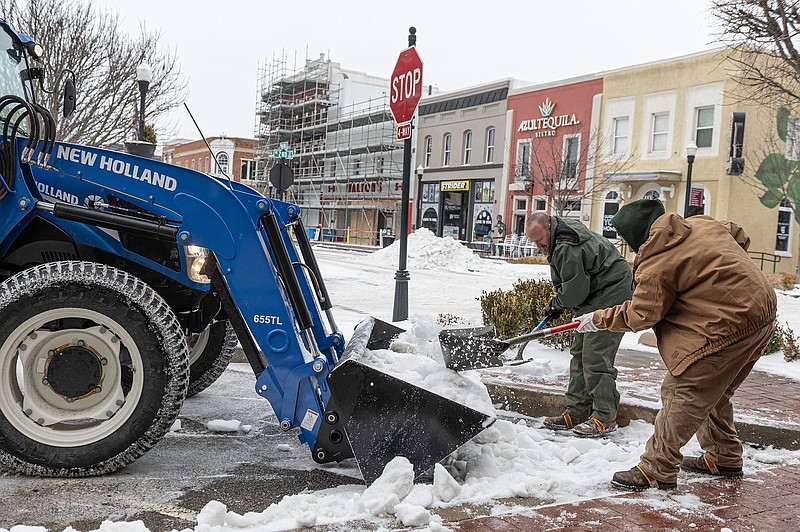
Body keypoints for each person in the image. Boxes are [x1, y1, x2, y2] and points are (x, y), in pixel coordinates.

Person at [575, 199, 777, 490]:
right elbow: (738, 235)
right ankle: (724, 457)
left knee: (681, 391)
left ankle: (656, 468)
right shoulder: (703, 224)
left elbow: (642, 314)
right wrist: (720, 278)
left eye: (626, 239)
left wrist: (598, 319)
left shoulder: (659, 261)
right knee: (715, 393)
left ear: (637, 235)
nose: (627, 247)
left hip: (726, 326)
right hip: (763, 313)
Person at [525, 212, 633, 437]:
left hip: (611, 291)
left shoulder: (566, 247)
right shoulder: (557, 235)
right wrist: (560, 301)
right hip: (594, 292)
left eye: (539, 240)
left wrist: (557, 303)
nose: (538, 246)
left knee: (596, 354)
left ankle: (605, 416)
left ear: (548, 228)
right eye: (533, 242)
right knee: (580, 351)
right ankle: (577, 411)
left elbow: (575, 291)